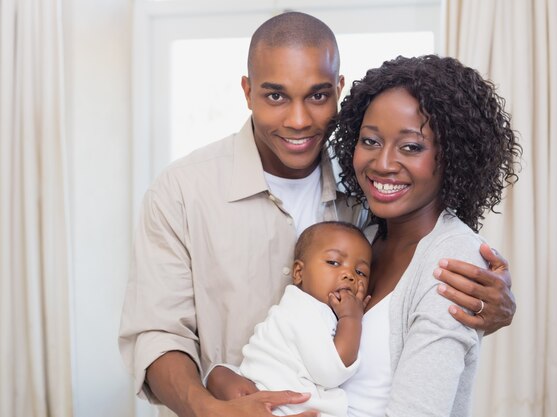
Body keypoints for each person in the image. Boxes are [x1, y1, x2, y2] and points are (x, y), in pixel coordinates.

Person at [118, 11, 516, 417]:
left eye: (318, 95)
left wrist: (491, 309)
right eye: (275, 96)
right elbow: (157, 334)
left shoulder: (370, 192)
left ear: (338, 89)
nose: (299, 120)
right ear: (247, 91)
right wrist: (207, 408)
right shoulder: (183, 191)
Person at [330, 54, 522, 416]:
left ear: (453, 156)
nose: (383, 163)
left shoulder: (454, 261)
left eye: (411, 147)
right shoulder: (363, 237)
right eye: (370, 141)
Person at [228, 221, 372, 417]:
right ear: (298, 272)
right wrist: (352, 318)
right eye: (333, 262)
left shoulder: (314, 310)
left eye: (360, 272)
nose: (349, 275)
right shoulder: (301, 310)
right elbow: (331, 372)